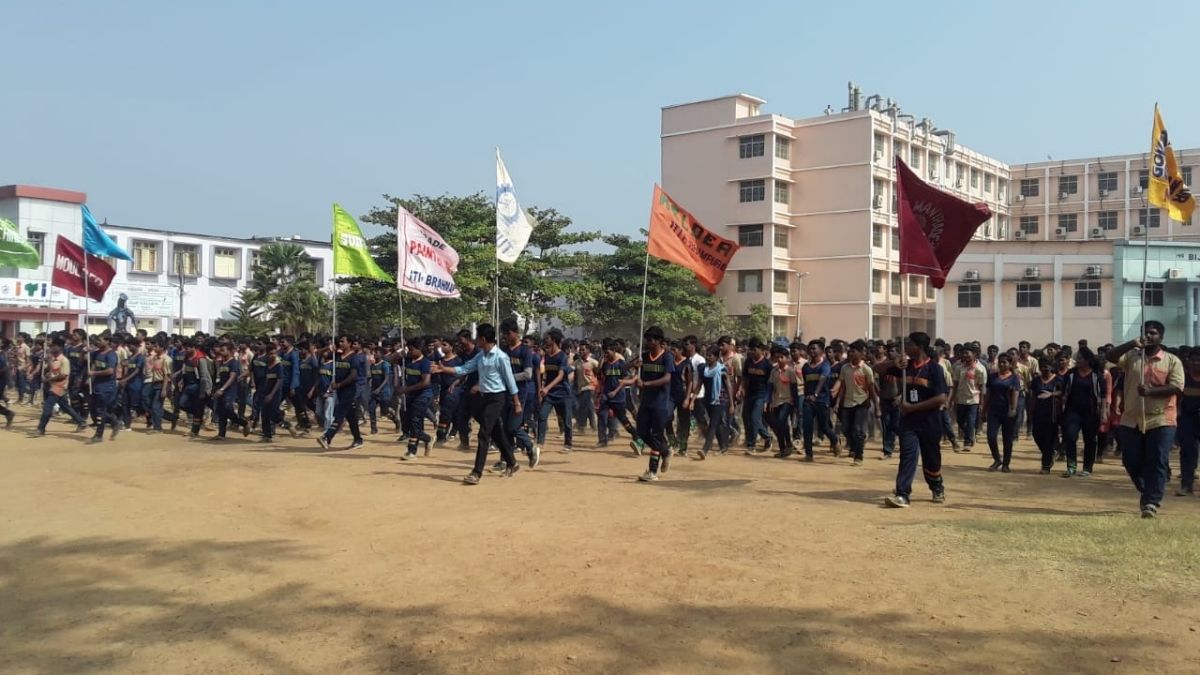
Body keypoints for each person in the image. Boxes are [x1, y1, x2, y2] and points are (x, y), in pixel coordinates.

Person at [1105, 321, 1184, 518]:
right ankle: (1148, 488)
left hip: (1161, 417)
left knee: (1156, 459)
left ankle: (1151, 502)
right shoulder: (1132, 357)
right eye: (1145, 332)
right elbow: (1110, 357)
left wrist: (1151, 392)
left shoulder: (1172, 361)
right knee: (1130, 460)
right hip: (1132, 417)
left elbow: (1176, 387)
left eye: (1153, 333)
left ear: (1161, 337)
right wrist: (1132, 343)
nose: (1149, 335)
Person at [431, 323, 522, 485]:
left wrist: (516, 403)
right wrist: (444, 369)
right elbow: (464, 369)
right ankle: (512, 462)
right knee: (496, 431)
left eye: (478, 337)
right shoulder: (481, 356)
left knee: (483, 434)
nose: (475, 340)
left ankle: (476, 472)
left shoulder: (501, 357)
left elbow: (510, 381)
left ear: (483, 339)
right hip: (483, 398)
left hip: (496, 398)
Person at [884, 332, 949, 508]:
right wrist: (894, 362)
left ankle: (936, 486)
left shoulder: (935, 369)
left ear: (919, 347)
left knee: (931, 460)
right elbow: (877, 369)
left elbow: (941, 398)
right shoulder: (905, 366)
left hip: (929, 422)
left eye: (909, 344)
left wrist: (913, 407)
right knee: (908, 456)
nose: (905, 348)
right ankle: (902, 493)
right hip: (908, 422)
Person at [1059, 348, 1108, 478]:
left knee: (1090, 440)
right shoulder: (1071, 374)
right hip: (1072, 412)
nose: (1077, 361)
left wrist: (1103, 412)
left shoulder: (1096, 375)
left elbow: (1103, 395)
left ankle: (1087, 468)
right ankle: (1071, 466)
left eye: (1080, 358)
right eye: (1077, 358)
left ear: (1087, 360)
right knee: (1070, 437)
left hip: (1091, 413)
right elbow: (1063, 392)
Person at [635, 326, 675, 482]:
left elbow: (667, 379)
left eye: (650, 340)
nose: (647, 343)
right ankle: (665, 451)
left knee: (657, 435)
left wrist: (645, 384)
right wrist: (635, 367)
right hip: (646, 401)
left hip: (660, 403)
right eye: (646, 340)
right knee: (642, 431)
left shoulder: (667, 357)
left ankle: (652, 471)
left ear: (659, 341)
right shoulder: (643, 357)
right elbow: (627, 370)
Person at [317, 335, 366, 451]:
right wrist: (328, 348)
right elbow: (318, 354)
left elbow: (353, 376)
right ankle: (358, 439)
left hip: (349, 389)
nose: (340, 344)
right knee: (351, 416)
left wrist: (339, 384)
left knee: (340, 412)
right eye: (339, 342)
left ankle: (327, 437)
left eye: (343, 342)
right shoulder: (336, 355)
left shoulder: (354, 358)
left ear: (349, 343)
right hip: (340, 390)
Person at [835, 339, 879, 466]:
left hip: (862, 402)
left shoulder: (866, 369)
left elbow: (872, 389)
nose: (850, 354)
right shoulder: (845, 368)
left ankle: (858, 457)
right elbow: (842, 386)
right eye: (849, 351)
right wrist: (838, 403)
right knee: (846, 429)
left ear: (860, 353)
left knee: (858, 429)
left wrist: (877, 407)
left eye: (853, 351)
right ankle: (855, 445)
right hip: (847, 403)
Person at [34, 339, 88, 437]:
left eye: (53, 346)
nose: (51, 348)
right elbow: (50, 371)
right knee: (65, 406)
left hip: (59, 387)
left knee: (47, 408)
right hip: (51, 386)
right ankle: (81, 421)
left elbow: (63, 375)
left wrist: (49, 379)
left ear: (60, 348)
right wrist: (47, 364)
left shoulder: (64, 360)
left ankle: (40, 429)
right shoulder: (52, 359)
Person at [537, 329, 574, 454]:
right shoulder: (547, 356)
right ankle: (540, 443)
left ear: (553, 340)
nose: (545, 340)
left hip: (563, 393)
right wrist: (542, 387)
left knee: (567, 420)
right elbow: (546, 374)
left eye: (547, 338)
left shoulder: (562, 356)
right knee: (542, 416)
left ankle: (568, 444)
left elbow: (560, 376)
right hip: (550, 394)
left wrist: (547, 387)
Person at [981, 353, 1020, 472]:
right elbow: (988, 395)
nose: (1002, 364)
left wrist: (1013, 409)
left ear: (1009, 364)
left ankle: (1006, 464)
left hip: (1008, 411)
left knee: (1007, 439)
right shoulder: (992, 377)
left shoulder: (1014, 378)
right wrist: (983, 411)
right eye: (1000, 362)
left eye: (1004, 362)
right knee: (991, 436)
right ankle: (997, 459)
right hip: (994, 411)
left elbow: (1015, 394)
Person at [800, 339, 838, 460]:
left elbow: (822, 380)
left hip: (822, 400)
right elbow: (806, 383)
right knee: (807, 427)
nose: (812, 351)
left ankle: (835, 440)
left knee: (824, 426)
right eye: (810, 348)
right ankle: (809, 454)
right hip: (808, 401)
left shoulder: (825, 365)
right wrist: (807, 396)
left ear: (821, 351)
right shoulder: (805, 367)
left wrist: (815, 394)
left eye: (814, 348)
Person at [398, 336, 433, 460]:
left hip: (423, 395)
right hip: (410, 395)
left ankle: (411, 451)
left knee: (415, 421)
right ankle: (427, 438)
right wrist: (399, 354)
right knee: (407, 420)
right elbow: (388, 360)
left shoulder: (425, 363)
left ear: (419, 349)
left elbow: (425, 382)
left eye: (411, 349)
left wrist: (406, 389)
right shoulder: (407, 360)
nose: (409, 352)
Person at [695, 345, 731, 461]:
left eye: (710, 356)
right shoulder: (703, 370)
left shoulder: (722, 369)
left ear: (716, 357)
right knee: (717, 423)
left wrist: (731, 403)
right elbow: (699, 384)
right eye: (707, 355)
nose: (707, 358)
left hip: (719, 400)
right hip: (708, 399)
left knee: (713, 424)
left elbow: (728, 385)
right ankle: (723, 446)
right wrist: (692, 398)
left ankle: (705, 449)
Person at [951, 346, 987, 451]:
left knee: (971, 420)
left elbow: (981, 387)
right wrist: (953, 398)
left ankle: (967, 442)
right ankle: (971, 435)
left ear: (974, 354)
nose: (964, 355)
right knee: (960, 420)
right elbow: (955, 384)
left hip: (973, 399)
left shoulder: (980, 369)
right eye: (963, 353)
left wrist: (981, 403)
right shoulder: (959, 368)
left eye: (967, 353)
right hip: (961, 399)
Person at [1030, 361, 1063, 473]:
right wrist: (1031, 411)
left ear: (1052, 367)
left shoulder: (1058, 380)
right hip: (1038, 413)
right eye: (1043, 366)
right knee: (1036, 435)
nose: (1045, 368)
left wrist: (1052, 394)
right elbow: (1033, 395)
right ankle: (1051, 453)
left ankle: (1046, 465)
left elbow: (1063, 392)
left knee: (1048, 438)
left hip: (1053, 414)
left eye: (1047, 366)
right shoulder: (1036, 381)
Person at [741, 338, 773, 453]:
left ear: (761, 349)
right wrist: (742, 389)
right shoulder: (748, 361)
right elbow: (745, 377)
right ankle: (767, 436)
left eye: (755, 349)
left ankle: (751, 445)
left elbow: (770, 384)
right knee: (746, 417)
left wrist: (767, 400)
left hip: (761, 395)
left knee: (755, 418)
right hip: (749, 393)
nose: (752, 352)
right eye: (751, 350)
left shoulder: (767, 365)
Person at [88, 334, 121, 443]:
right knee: (96, 409)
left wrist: (94, 373)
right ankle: (114, 421)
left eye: (100, 340)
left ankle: (99, 435)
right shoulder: (96, 353)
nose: (98, 342)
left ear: (107, 341)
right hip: (97, 385)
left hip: (107, 386)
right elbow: (87, 360)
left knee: (100, 410)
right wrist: (84, 351)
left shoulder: (111, 355)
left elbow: (110, 371)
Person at [1176, 349, 1200, 497]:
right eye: (1193, 360)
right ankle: (1187, 485)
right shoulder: (1182, 378)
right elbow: (1176, 397)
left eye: (1199, 360)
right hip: (1187, 419)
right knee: (1187, 451)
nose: (1196, 363)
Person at [767, 345, 797, 458]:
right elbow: (770, 387)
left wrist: (796, 405)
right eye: (777, 357)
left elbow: (794, 389)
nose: (779, 359)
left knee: (780, 421)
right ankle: (784, 448)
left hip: (787, 401)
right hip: (776, 401)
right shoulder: (773, 371)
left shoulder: (790, 371)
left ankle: (787, 444)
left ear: (787, 358)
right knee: (780, 424)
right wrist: (768, 401)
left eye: (781, 357)